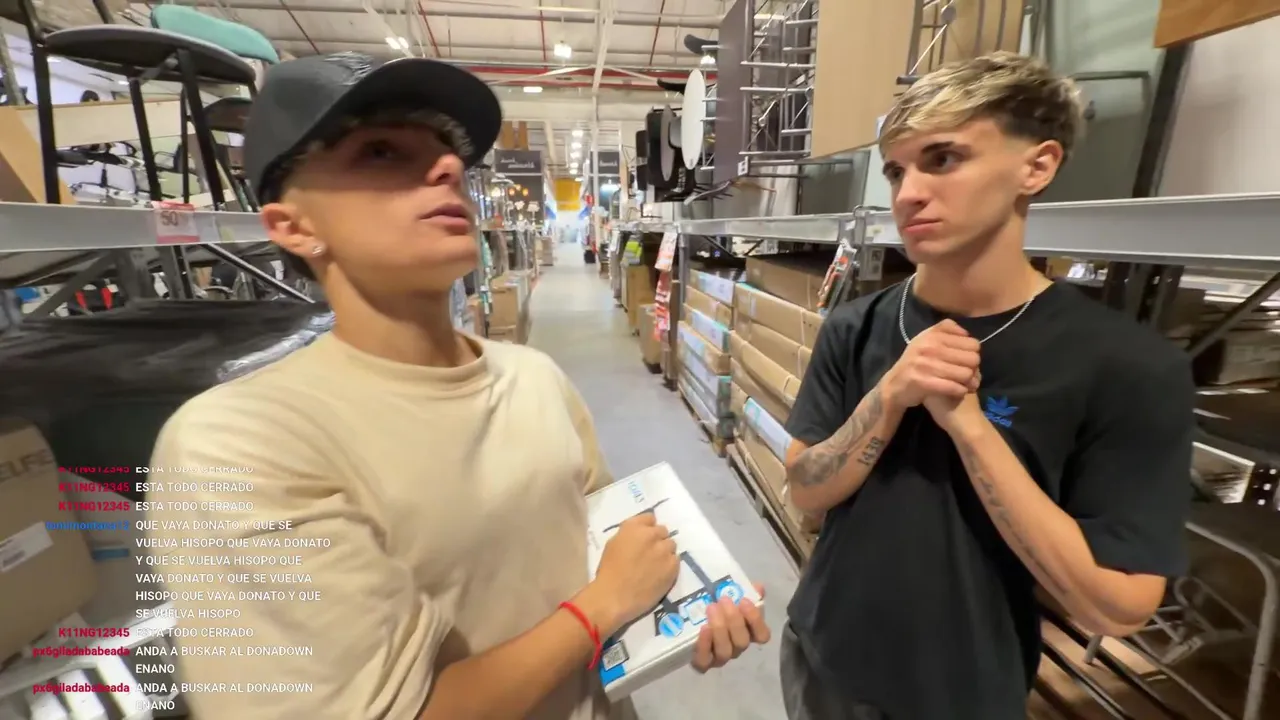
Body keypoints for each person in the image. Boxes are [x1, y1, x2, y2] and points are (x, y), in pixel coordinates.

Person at [144, 52, 769, 719]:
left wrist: (678, 610)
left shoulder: (533, 377)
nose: (447, 167)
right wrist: (606, 605)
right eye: (380, 152)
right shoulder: (236, 447)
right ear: (294, 226)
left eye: (448, 152)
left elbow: (607, 550)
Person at [778, 52, 1194, 720]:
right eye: (897, 170)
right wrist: (888, 398)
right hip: (821, 657)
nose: (908, 193)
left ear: (1038, 166)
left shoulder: (1127, 366)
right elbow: (804, 489)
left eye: (942, 159)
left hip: (963, 696)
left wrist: (971, 429)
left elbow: (1116, 608)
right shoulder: (857, 326)